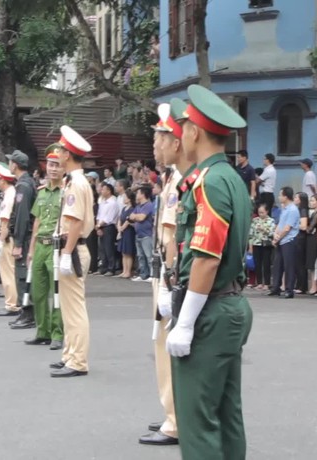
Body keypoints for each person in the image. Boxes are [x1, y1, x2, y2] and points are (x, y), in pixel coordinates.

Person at [165, 84, 253, 460]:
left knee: (197, 423)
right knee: (225, 414)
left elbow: (206, 258)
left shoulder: (210, 181)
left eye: (183, 127)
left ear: (195, 132)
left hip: (210, 310)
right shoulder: (228, 176)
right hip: (225, 304)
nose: (180, 134)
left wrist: (185, 322)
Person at [140, 100, 186, 447]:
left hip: (169, 274)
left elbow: (171, 238)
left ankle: (176, 420)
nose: (155, 146)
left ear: (176, 141)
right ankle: (172, 412)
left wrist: (168, 283)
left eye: (160, 139)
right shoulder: (171, 177)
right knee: (161, 344)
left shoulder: (180, 180)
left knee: (166, 345)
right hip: (162, 272)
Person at [50, 125, 94, 378]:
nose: (58, 154)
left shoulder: (76, 183)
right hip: (70, 247)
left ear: (68, 155)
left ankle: (77, 361)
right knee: (68, 307)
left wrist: (66, 253)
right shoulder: (74, 181)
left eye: (61, 150)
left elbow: (75, 221)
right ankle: (69, 354)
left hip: (73, 248)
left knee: (74, 308)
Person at [24, 145, 64, 350]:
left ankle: (58, 333)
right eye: (50, 164)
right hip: (40, 245)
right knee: (38, 293)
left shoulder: (66, 192)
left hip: (56, 246)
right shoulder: (41, 192)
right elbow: (37, 223)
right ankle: (43, 331)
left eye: (57, 165)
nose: (53, 169)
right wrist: (31, 250)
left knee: (57, 293)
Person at [5, 150, 37, 329]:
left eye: (10, 162)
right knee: (22, 275)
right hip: (26, 237)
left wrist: (18, 243)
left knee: (23, 276)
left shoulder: (23, 186)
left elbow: (22, 217)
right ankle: (25, 312)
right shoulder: (25, 183)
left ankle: (28, 313)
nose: (9, 164)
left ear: (15, 165)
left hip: (25, 239)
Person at [0, 162, 19, 317]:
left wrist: (0, 241)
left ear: (3, 180)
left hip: (7, 239)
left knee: (8, 273)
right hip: (8, 237)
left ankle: (12, 304)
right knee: (10, 271)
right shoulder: (11, 193)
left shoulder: (9, 195)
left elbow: (5, 221)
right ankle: (14, 301)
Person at [269, 186, 300, 298]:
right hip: (281, 240)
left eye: (280, 195)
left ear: (286, 197)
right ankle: (276, 287)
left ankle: (289, 289)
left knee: (289, 266)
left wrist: (278, 238)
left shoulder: (292, 210)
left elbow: (287, 228)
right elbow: (280, 225)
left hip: (289, 240)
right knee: (278, 265)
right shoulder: (284, 209)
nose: (279, 197)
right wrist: (275, 236)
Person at [129, 186, 155, 281]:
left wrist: (135, 216)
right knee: (140, 256)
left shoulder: (148, 205)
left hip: (147, 234)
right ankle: (143, 274)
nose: (136, 195)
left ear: (143, 194)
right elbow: (130, 217)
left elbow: (141, 218)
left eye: (138, 193)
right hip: (139, 234)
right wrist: (136, 216)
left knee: (149, 255)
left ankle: (152, 275)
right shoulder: (138, 206)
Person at [249, 202, 276, 290]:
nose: (260, 214)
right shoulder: (255, 220)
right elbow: (251, 234)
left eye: (262, 212)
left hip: (266, 245)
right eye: (259, 212)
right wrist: (250, 246)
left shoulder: (271, 221)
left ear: (267, 212)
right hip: (256, 244)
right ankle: (259, 282)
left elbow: (272, 233)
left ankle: (267, 283)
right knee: (257, 264)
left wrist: (264, 229)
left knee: (266, 264)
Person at [96, 182, 119, 276]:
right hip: (100, 226)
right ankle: (103, 267)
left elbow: (108, 218)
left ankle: (111, 268)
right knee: (102, 249)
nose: (102, 191)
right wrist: (97, 227)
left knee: (109, 248)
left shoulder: (113, 203)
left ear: (109, 191)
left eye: (103, 189)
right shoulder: (102, 202)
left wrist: (99, 225)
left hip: (109, 226)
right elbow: (99, 215)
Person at [305, 194, 317, 294]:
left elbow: (310, 228)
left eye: (313, 201)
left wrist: (306, 228)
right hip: (311, 238)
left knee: (314, 263)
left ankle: (315, 285)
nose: (311, 202)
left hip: (314, 239)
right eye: (310, 200)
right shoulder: (313, 213)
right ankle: (313, 284)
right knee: (311, 264)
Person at [116, 189, 136, 279]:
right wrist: (119, 227)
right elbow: (120, 218)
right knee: (123, 253)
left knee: (128, 252)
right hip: (123, 231)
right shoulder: (124, 208)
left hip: (128, 231)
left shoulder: (132, 209)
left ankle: (128, 271)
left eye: (125, 197)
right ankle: (124, 270)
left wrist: (122, 228)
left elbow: (128, 221)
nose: (124, 198)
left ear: (129, 199)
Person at [294, 191, 309, 294]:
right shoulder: (297, 209)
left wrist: (293, 225)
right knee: (297, 262)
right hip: (297, 237)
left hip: (300, 238)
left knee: (300, 262)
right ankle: (298, 284)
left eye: (296, 197)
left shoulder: (303, 210)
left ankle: (301, 286)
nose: (295, 199)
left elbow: (303, 226)